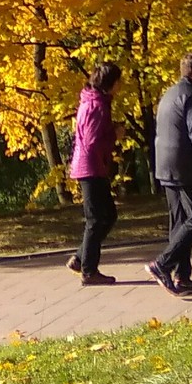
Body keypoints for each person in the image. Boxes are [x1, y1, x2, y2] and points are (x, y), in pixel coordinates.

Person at [148, 51, 192, 295]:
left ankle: (182, 276)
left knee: (179, 222)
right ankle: (163, 264)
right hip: (187, 167)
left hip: (166, 164)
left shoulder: (170, 93)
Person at [68, 63, 123, 285]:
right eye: (119, 81)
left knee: (107, 215)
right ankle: (88, 270)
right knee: (97, 218)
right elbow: (92, 141)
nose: (121, 85)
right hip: (90, 167)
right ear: (112, 83)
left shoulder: (95, 101)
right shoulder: (96, 104)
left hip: (93, 166)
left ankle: (81, 258)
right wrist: (114, 135)